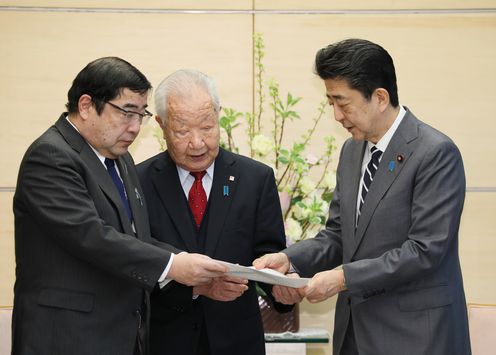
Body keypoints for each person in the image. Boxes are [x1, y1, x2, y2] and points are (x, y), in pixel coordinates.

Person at [254, 39, 471, 355]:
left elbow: (424, 251)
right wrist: (290, 259)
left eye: (343, 103)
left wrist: (341, 279)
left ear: (380, 98)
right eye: (330, 103)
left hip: (417, 338)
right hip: (355, 335)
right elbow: (338, 236)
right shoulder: (352, 151)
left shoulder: (435, 153)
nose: (337, 116)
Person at [12, 57, 228, 355]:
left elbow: (134, 240)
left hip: (122, 337)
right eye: (127, 113)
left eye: (142, 115)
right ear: (86, 105)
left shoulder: (120, 159)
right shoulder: (51, 156)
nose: (136, 127)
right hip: (66, 337)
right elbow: (91, 236)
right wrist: (174, 266)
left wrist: (192, 266)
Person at [137, 69, 289, 355]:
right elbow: (134, 265)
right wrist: (193, 289)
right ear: (161, 124)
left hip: (237, 342)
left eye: (207, 127)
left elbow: (269, 256)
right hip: (165, 342)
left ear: (218, 114)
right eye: (182, 131)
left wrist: (284, 289)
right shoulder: (139, 183)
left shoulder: (255, 179)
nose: (197, 143)